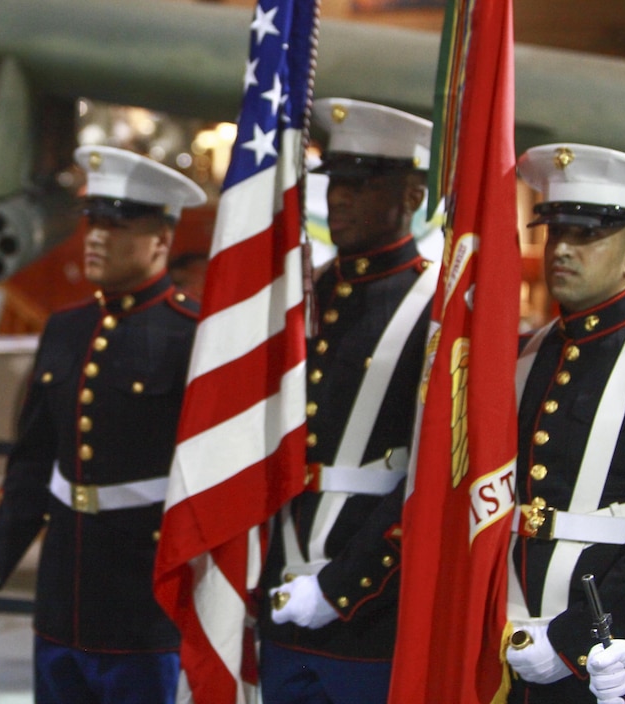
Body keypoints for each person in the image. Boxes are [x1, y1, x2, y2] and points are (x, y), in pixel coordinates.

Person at [0, 145, 206, 704]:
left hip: (146, 603)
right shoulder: (66, 329)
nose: (96, 237)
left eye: (117, 224)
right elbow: (35, 465)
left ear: (161, 239)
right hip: (64, 597)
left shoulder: (194, 337)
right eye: (92, 222)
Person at [257, 98, 437, 703]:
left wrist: (342, 586)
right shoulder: (311, 293)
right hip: (284, 582)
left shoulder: (439, 309)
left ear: (413, 195)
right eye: (336, 182)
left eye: (362, 185)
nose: (340, 199)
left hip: (372, 609)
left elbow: (429, 479)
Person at [505, 143, 625, 703]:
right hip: (504, 636)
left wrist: (577, 640)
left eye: (586, 235)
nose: (562, 248)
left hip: (609, 653)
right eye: (556, 232)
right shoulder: (527, 352)